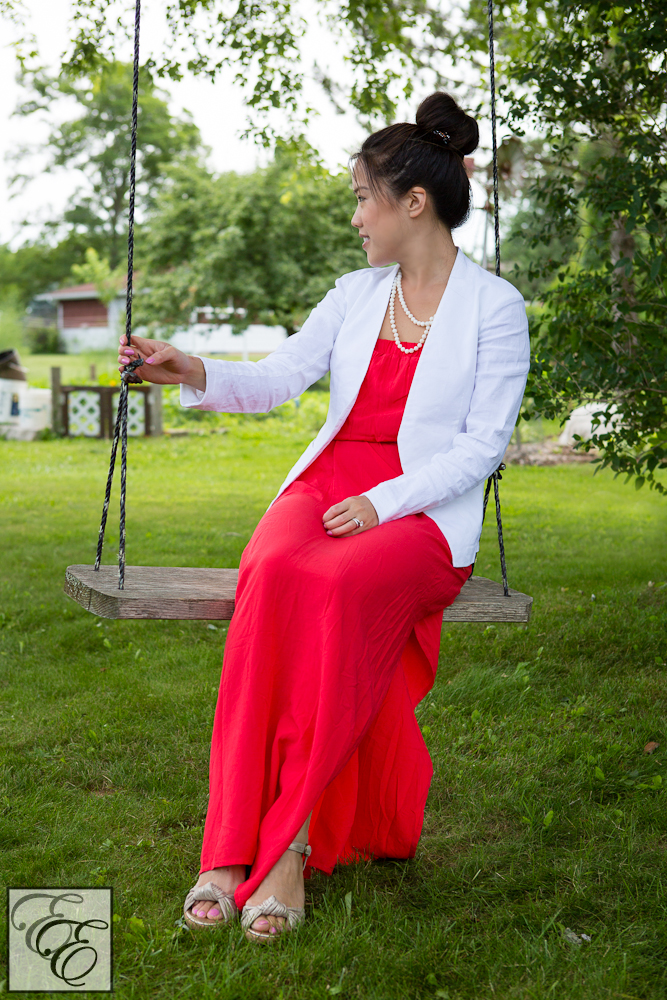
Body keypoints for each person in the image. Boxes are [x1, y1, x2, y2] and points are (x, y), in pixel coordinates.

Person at [118, 92, 529, 943]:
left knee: (335, 592)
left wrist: (381, 503)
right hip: (327, 486)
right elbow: (277, 378)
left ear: (412, 202)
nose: (355, 218)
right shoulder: (355, 293)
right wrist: (184, 365)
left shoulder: (495, 309)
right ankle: (229, 845)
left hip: (418, 512)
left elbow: (482, 447)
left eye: (360, 197)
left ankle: (291, 848)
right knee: (270, 573)